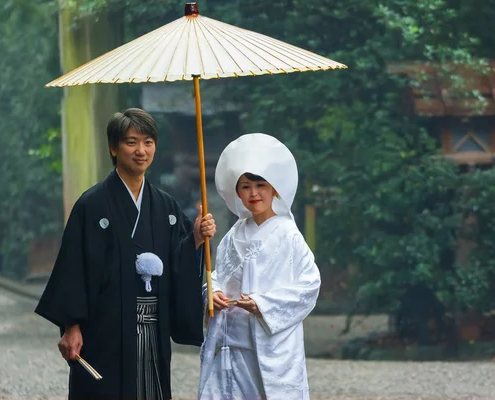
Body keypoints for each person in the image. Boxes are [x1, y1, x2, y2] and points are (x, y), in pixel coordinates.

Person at [35, 108, 216, 400]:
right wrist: (71, 326)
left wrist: (195, 238)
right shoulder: (91, 205)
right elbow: (74, 269)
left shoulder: (166, 207)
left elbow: (177, 262)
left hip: (152, 326)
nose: (141, 151)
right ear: (113, 147)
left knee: (150, 390)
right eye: (131, 142)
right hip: (104, 327)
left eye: (148, 142)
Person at [198, 133, 321, 399]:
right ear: (237, 192)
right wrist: (213, 292)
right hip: (232, 341)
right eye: (245, 186)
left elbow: (309, 285)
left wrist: (263, 304)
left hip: (270, 345)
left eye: (260, 184)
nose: (253, 193)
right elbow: (219, 274)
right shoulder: (234, 234)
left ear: (274, 188)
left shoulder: (288, 234)